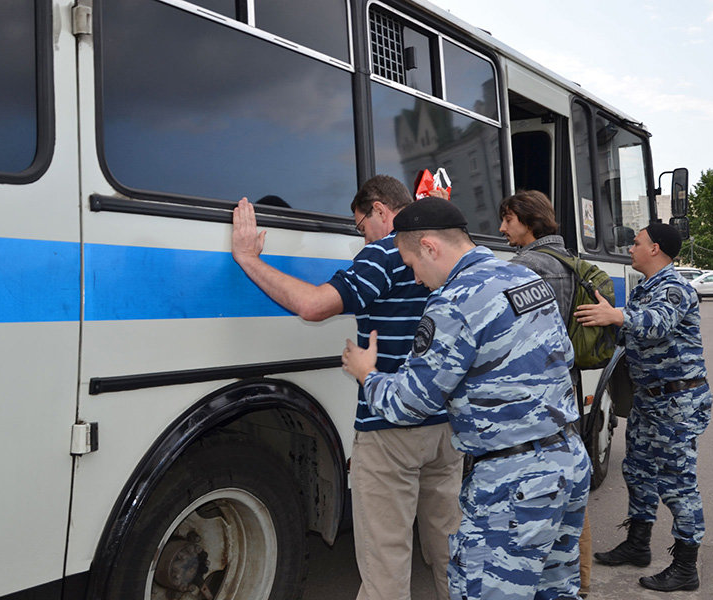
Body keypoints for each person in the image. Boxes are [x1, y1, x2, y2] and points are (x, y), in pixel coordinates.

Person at [342, 198, 591, 600]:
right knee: (554, 592)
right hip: (568, 461)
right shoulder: (524, 277)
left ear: (429, 247)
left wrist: (366, 373)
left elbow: (410, 403)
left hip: (513, 481)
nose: (416, 279)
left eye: (411, 265)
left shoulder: (454, 300)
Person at [231, 176, 461, 600]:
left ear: (380, 210)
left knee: (385, 565)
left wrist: (248, 258)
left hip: (391, 427)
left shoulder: (385, 251)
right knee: (450, 548)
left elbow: (314, 305)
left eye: (360, 226)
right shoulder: (443, 250)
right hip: (444, 426)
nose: (362, 238)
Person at [574, 223, 712, 592]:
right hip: (650, 400)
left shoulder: (675, 288)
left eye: (636, 243)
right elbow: (628, 334)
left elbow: (656, 324)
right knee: (637, 472)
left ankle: (686, 566)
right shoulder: (644, 289)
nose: (630, 248)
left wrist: (617, 315)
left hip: (677, 403)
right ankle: (638, 544)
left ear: (655, 249)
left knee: (678, 484)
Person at [499, 189, 591, 598]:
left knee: (533, 496)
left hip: (532, 394)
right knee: (570, 488)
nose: (502, 228)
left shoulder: (524, 267)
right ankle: (579, 580)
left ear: (529, 221)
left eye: (508, 220)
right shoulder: (569, 260)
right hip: (564, 385)